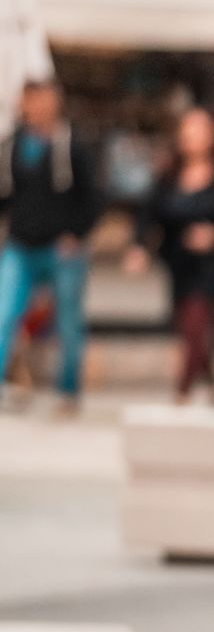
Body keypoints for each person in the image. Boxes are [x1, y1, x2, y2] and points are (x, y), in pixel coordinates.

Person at [124, 108, 214, 405]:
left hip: (212, 269)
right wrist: (140, 247)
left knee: (195, 328)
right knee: (191, 332)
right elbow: (148, 216)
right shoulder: (168, 177)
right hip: (179, 267)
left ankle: (181, 395)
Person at [0, 80, 101, 413]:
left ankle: (68, 391)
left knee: (68, 321)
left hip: (62, 249)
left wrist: (77, 233)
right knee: (4, 315)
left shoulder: (71, 145)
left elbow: (94, 196)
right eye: (32, 100)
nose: (38, 107)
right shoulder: (12, 145)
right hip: (20, 245)